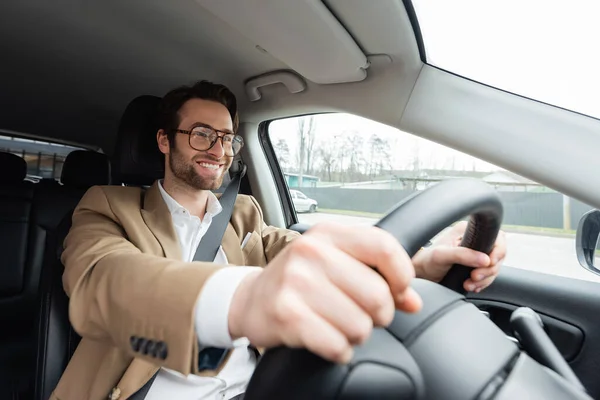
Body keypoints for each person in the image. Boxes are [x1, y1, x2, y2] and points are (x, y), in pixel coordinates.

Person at [51, 81, 506, 400]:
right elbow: (100, 281)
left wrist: (420, 263)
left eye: (227, 138)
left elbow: (304, 255)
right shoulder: (108, 206)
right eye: (202, 134)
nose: (219, 150)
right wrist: (244, 298)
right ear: (164, 141)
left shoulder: (243, 214)